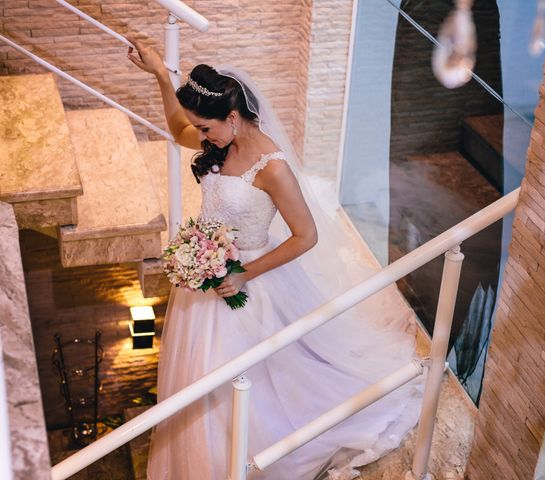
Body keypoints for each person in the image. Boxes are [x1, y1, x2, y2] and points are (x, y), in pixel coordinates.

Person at [127, 39, 425, 480]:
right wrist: (159, 73)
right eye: (199, 129)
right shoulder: (221, 144)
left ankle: (241, 458)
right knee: (199, 377)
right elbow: (177, 127)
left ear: (232, 118)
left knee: (251, 380)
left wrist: (245, 273)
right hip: (205, 280)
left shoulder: (273, 167)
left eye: (205, 129)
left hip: (248, 281)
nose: (199, 138)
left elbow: (306, 236)